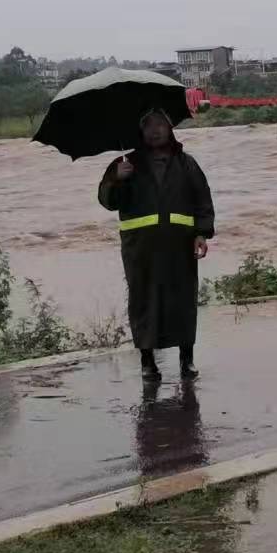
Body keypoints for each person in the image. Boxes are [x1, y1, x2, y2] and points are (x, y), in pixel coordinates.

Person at [97, 107, 214, 381]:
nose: (155, 130)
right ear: (141, 131)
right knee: (143, 302)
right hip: (140, 249)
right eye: (149, 125)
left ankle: (187, 361)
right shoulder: (125, 164)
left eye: (160, 124)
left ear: (170, 128)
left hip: (180, 247)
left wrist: (202, 234)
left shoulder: (187, 164)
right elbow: (107, 201)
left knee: (183, 301)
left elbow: (203, 201)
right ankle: (147, 363)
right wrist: (117, 179)